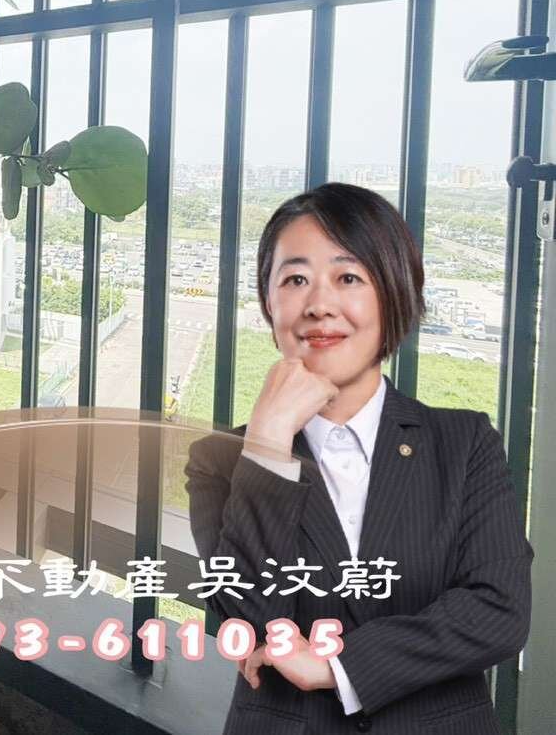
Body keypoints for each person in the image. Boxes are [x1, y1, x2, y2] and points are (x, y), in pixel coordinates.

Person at [184, 183, 531, 734]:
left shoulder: (464, 443)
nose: (319, 304)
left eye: (348, 278)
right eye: (295, 280)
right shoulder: (222, 462)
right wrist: (269, 441)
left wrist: (338, 667)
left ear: (393, 294)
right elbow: (248, 621)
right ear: (269, 303)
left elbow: (499, 611)